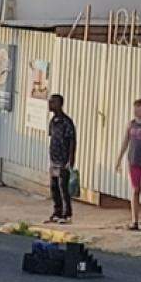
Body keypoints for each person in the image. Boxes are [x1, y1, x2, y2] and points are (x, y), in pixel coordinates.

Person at [115, 98, 141, 231]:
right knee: (135, 190)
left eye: (139, 107)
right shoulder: (131, 124)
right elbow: (125, 142)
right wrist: (119, 159)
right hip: (133, 161)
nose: (136, 110)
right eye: (135, 107)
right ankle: (134, 221)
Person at [47, 94, 77, 225]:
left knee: (63, 187)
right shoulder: (53, 121)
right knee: (54, 186)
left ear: (59, 104)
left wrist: (71, 158)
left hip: (63, 159)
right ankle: (57, 211)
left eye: (53, 102)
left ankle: (66, 214)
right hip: (54, 159)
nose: (50, 104)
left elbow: (72, 141)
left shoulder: (66, 122)